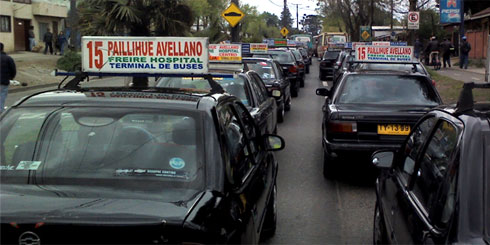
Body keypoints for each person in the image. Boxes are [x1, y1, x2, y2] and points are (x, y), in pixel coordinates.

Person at [0, 42, 17, 113]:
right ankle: (0, 109)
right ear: (3, 49)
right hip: (4, 80)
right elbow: (13, 69)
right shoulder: (8, 58)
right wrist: (11, 78)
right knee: (2, 95)